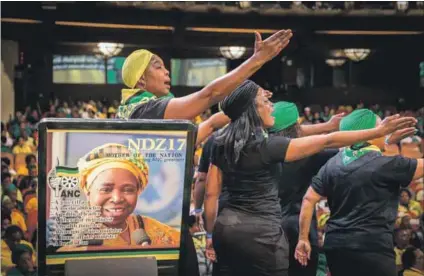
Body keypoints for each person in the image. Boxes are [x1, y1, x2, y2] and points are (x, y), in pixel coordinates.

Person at [204, 82, 417, 276]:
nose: (271, 107)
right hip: (264, 235)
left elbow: (210, 194)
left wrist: (211, 234)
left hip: (226, 229)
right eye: (265, 103)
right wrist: (377, 133)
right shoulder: (271, 148)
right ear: (253, 110)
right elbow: (328, 141)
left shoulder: (219, 143)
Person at [295, 109, 423, 276]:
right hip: (372, 248)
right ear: (368, 133)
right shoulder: (387, 165)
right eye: (380, 127)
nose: (385, 131)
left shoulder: (332, 164)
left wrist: (303, 238)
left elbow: (308, 199)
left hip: (336, 247)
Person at [116, 30, 292, 125]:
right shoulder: (145, 110)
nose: (167, 71)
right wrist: (258, 60)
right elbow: (210, 94)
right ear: (141, 80)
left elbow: (210, 125)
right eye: (158, 67)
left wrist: (251, 103)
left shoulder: (133, 110)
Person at [54, 143, 180, 251]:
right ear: (88, 191)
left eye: (128, 190)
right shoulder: (66, 237)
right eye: (106, 189)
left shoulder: (156, 231)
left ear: (138, 191)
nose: (117, 198)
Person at [268, 101, 342, 276]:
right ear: (295, 126)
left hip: (266, 228)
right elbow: (344, 150)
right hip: (299, 228)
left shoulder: (258, 149)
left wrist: (328, 125)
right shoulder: (308, 154)